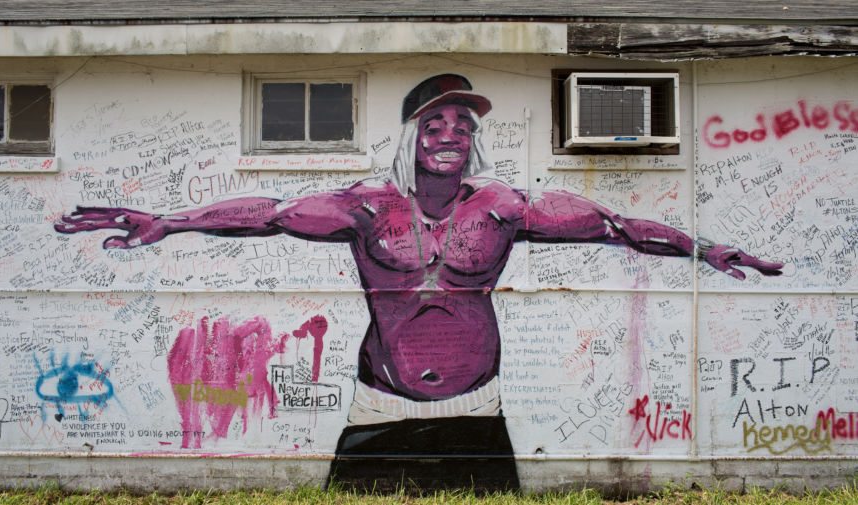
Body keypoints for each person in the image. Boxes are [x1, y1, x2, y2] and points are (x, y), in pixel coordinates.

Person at [55, 74, 783, 491]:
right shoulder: (365, 206)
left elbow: (616, 225)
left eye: (463, 124)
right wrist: (168, 220)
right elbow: (268, 214)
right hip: (381, 405)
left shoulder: (505, 208)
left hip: (478, 405)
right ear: (411, 133)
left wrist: (709, 249)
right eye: (435, 122)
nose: (450, 134)